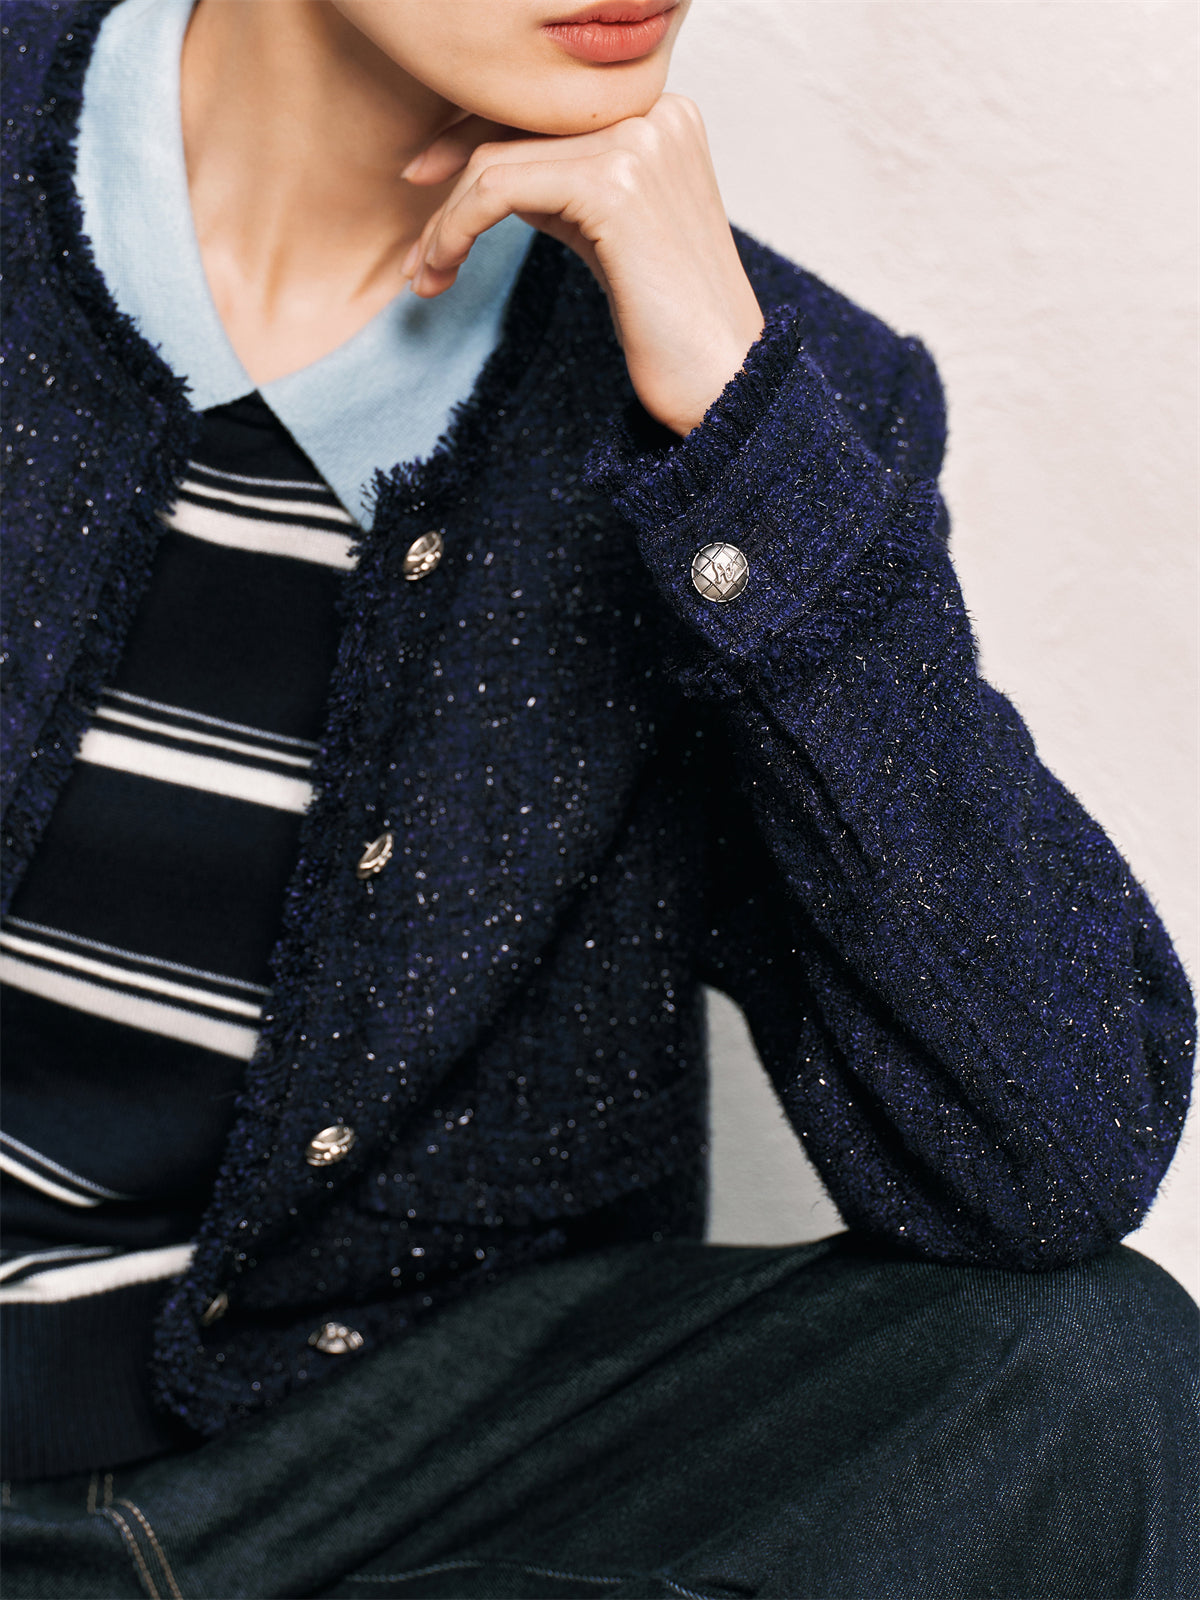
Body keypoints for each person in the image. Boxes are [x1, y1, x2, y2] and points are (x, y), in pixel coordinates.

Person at [0, 0, 1195, 1595]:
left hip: (382, 1490)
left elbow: (1051, 1156)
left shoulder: (771, 401)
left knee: (1089, 1372)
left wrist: (742, 445)